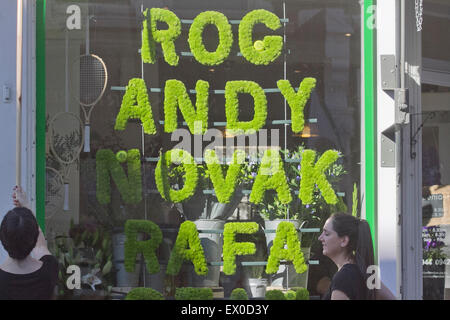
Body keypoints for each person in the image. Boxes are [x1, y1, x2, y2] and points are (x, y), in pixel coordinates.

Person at [318, 212, 396, 300]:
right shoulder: (365, 271)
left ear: (344, 241)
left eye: (327, 234)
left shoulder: (343, 278)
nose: (320, 238)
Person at [0, 186, 58, 300]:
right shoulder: (49, 269)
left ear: (2, 238)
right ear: (34, 237)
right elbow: (40, 245)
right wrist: (26, 205)